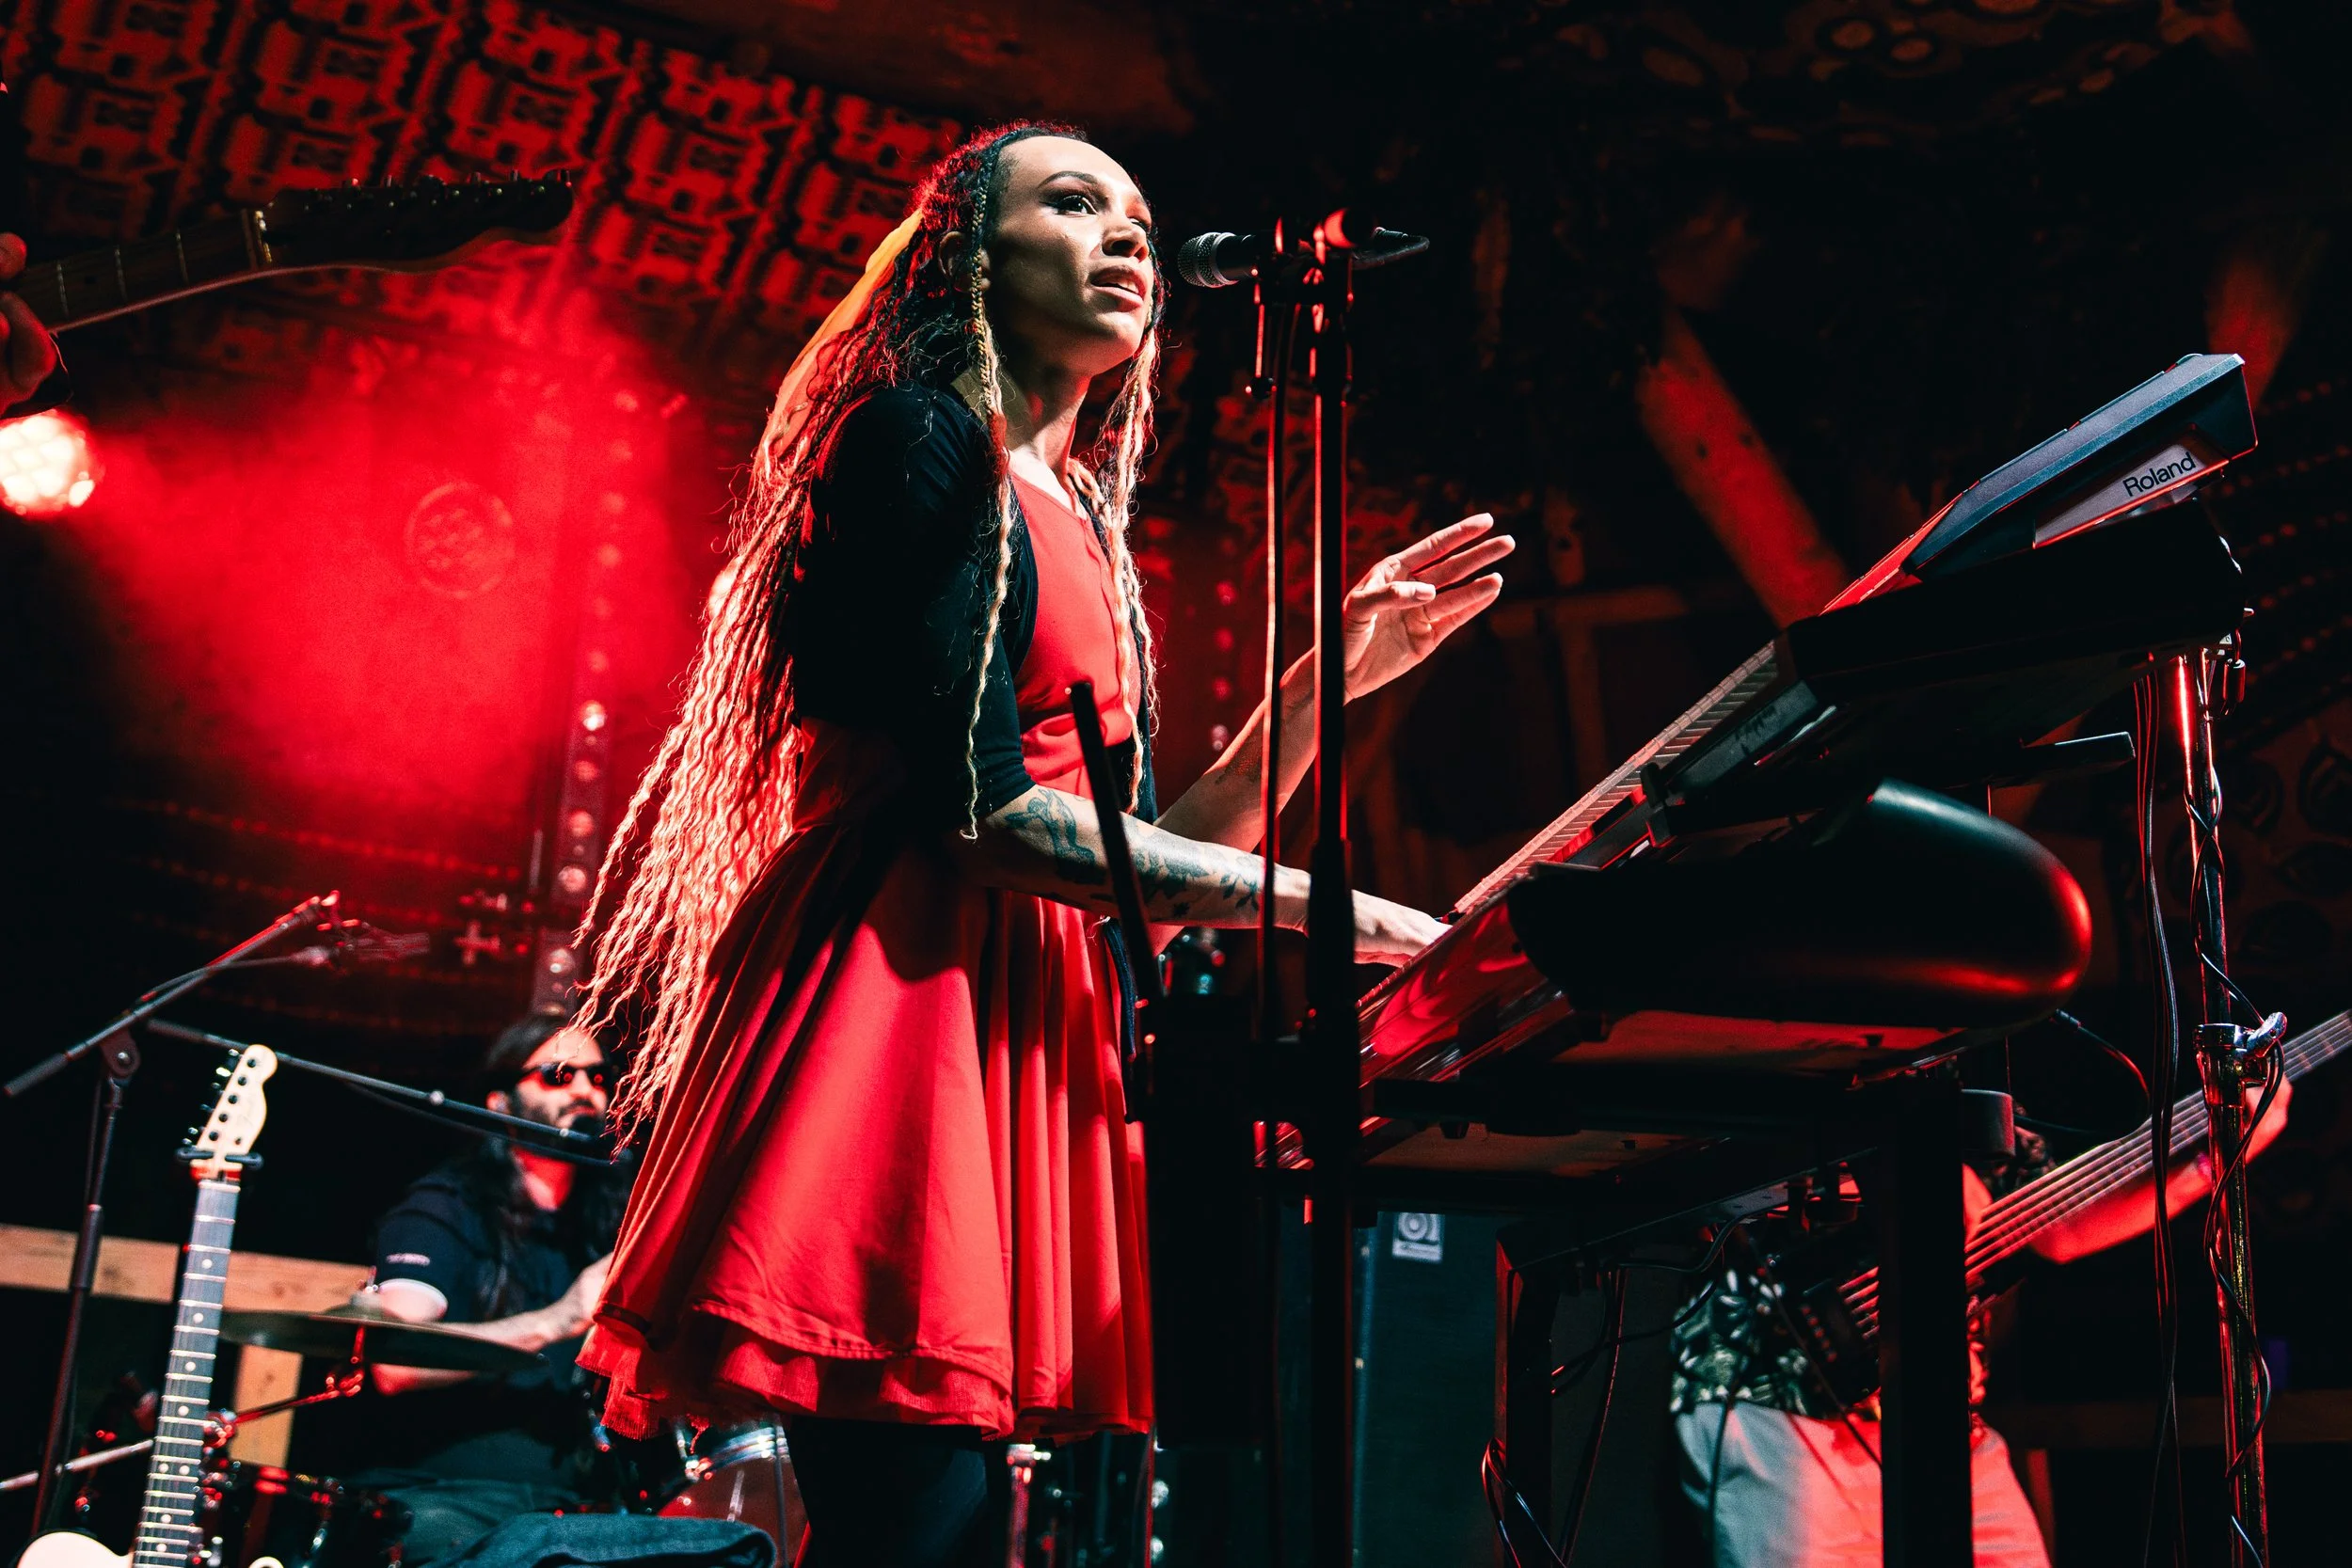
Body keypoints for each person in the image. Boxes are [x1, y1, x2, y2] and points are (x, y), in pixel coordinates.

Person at [573, 121, 1513, 1566]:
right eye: (1074, 204)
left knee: (941, 1528)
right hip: (900, 1006)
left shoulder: (1074, 512)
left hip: (1012, 1009)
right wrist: (1335, 909)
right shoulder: (921, 437)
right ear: (971, 257)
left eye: (1138, 213)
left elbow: (1140, 858)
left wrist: (1322, 680)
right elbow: (986, 813)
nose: (1128, 236)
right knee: (919, 1520)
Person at [1671, 1084, 2292, 1568]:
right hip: (1774, 1394)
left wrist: (2209, 1161)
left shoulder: (1968, 1025)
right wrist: (1905, 1173)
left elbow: (2057, 1226)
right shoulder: (1800, 991)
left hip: (1935, 1412)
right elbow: (1712, 1154)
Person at [344, 1013, 630, 1564]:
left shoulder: (609, 1216)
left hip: (574, 1504)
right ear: (499, 1102)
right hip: (440, 1497)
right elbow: (397, 1361)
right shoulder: (444, 1207)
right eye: (558, 1075)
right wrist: (557, 1320)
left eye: (598, 1078)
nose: (584, 1091)